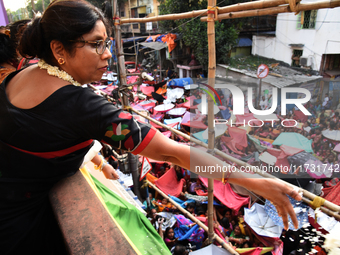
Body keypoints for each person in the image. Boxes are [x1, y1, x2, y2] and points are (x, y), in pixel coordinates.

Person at [0, 1, 301, 254]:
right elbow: (176, 154)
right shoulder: (83, 106)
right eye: (96, 44)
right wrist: (255, 181)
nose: (107, 53)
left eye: (106, 43)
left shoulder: (21, 74)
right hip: (21, 227)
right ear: (58, 49)